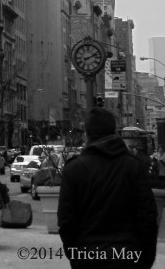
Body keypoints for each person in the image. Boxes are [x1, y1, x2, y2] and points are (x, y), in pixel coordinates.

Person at [58, 108, 158, 269]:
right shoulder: (134, 167)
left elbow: (66, 223)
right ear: (114, 132)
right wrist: (145, 259)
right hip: (129, 258)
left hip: (88, 257)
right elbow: (148, 218)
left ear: (87, 134)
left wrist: (76, 257)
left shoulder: (73, 169)